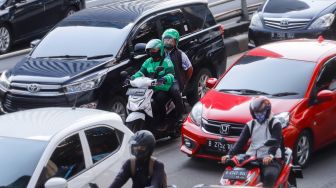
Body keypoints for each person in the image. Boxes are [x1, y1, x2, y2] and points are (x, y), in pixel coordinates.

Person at [221, 96, 283, 188]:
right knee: (232, 173)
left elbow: (276, 140)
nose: (259, 115)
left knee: (269, 176)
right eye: (256, 113)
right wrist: (229, 155)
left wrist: (270, 155)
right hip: (252, 158)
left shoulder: (275, 123)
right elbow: (240, 142)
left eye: (262, 113)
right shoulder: (250, 125)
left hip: (270, 159)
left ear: (267, 111)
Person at [131, 39, 175, 127]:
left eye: (154, 50)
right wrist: (132, 78)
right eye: (150, 50)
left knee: (158, 99)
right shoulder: (148, 61)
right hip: (149, 87)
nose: (152, 52)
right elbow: (141, 72)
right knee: (133, 94)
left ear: (160, 50)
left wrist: (164, 79)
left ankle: (162, 122)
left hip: (162, 87)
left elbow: (171, 75)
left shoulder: (166, 61)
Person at [162, 28, 193, 122]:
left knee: (175, 91)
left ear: (175, 42)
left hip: (174, 81)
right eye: (166, 40)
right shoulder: (160, 54)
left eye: (170, 40)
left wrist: (184, 81)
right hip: (162, 80)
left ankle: (181, 114)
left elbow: (189, 69)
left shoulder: (180, 54)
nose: (167, 42)